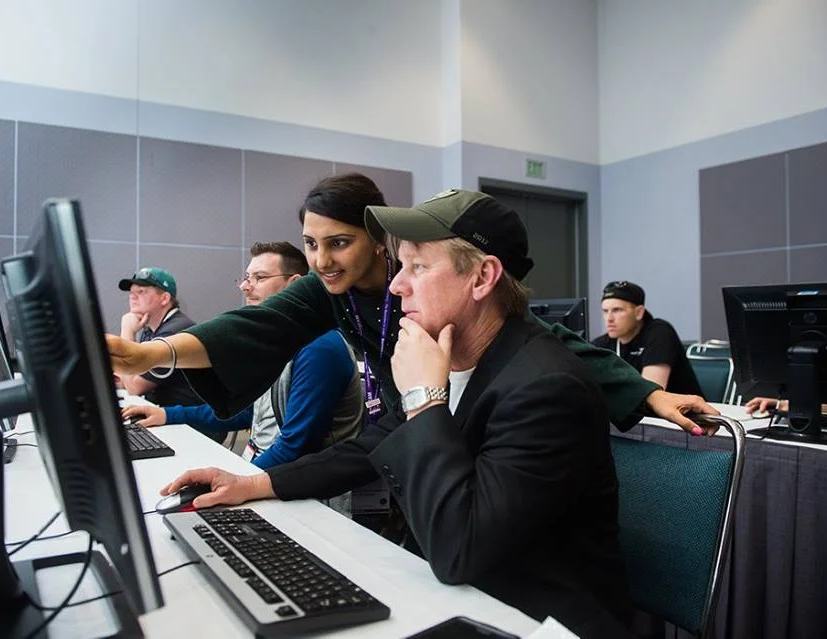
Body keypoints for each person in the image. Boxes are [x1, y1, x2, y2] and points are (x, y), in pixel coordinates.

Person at [157, 190, 633, 636]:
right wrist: (256, 484)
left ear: (482, 278)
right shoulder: (463, 358)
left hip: (537, 619)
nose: (398, 285)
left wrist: (424, 397)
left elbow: (460, 549)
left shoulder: (545, 388)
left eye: (418, 267)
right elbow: (369, 446)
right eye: (400, 266)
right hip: (468, 596)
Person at [107, 173, 718, 438]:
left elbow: (546, 338)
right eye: (311, 245)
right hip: (407, 431)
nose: (321, 260)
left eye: (339, 243)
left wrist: (648, 395)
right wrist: (147, 354)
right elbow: (251, 327)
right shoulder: (330, 290)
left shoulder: (430, 291)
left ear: (378, 239)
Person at [121, 242, 363, 469]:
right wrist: (168, 414)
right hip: (264, 471)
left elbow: (295, 448)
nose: (245, 286)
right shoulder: (272, 341)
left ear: (295, 284)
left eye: (260, 278)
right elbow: (249, 412)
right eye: (247, 278)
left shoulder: (320, 347)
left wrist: (239, 481)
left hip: (299, 489)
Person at [592, 280, 703, 396]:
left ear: (639, 313)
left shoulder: (659, 332)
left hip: (683, 407)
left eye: (617, 310)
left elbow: (649, 394)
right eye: (605, 311)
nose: (609, 318)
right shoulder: (601, 344)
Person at [117, 267, 202, 407]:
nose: (132, 297)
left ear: (164, 298)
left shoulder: (175, 331)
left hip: (184, 418)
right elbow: (127, 378)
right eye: (131, 292)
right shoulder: (151, 329)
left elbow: (134, 387)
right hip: (162, 413)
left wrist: (127, 331)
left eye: (141, 292)